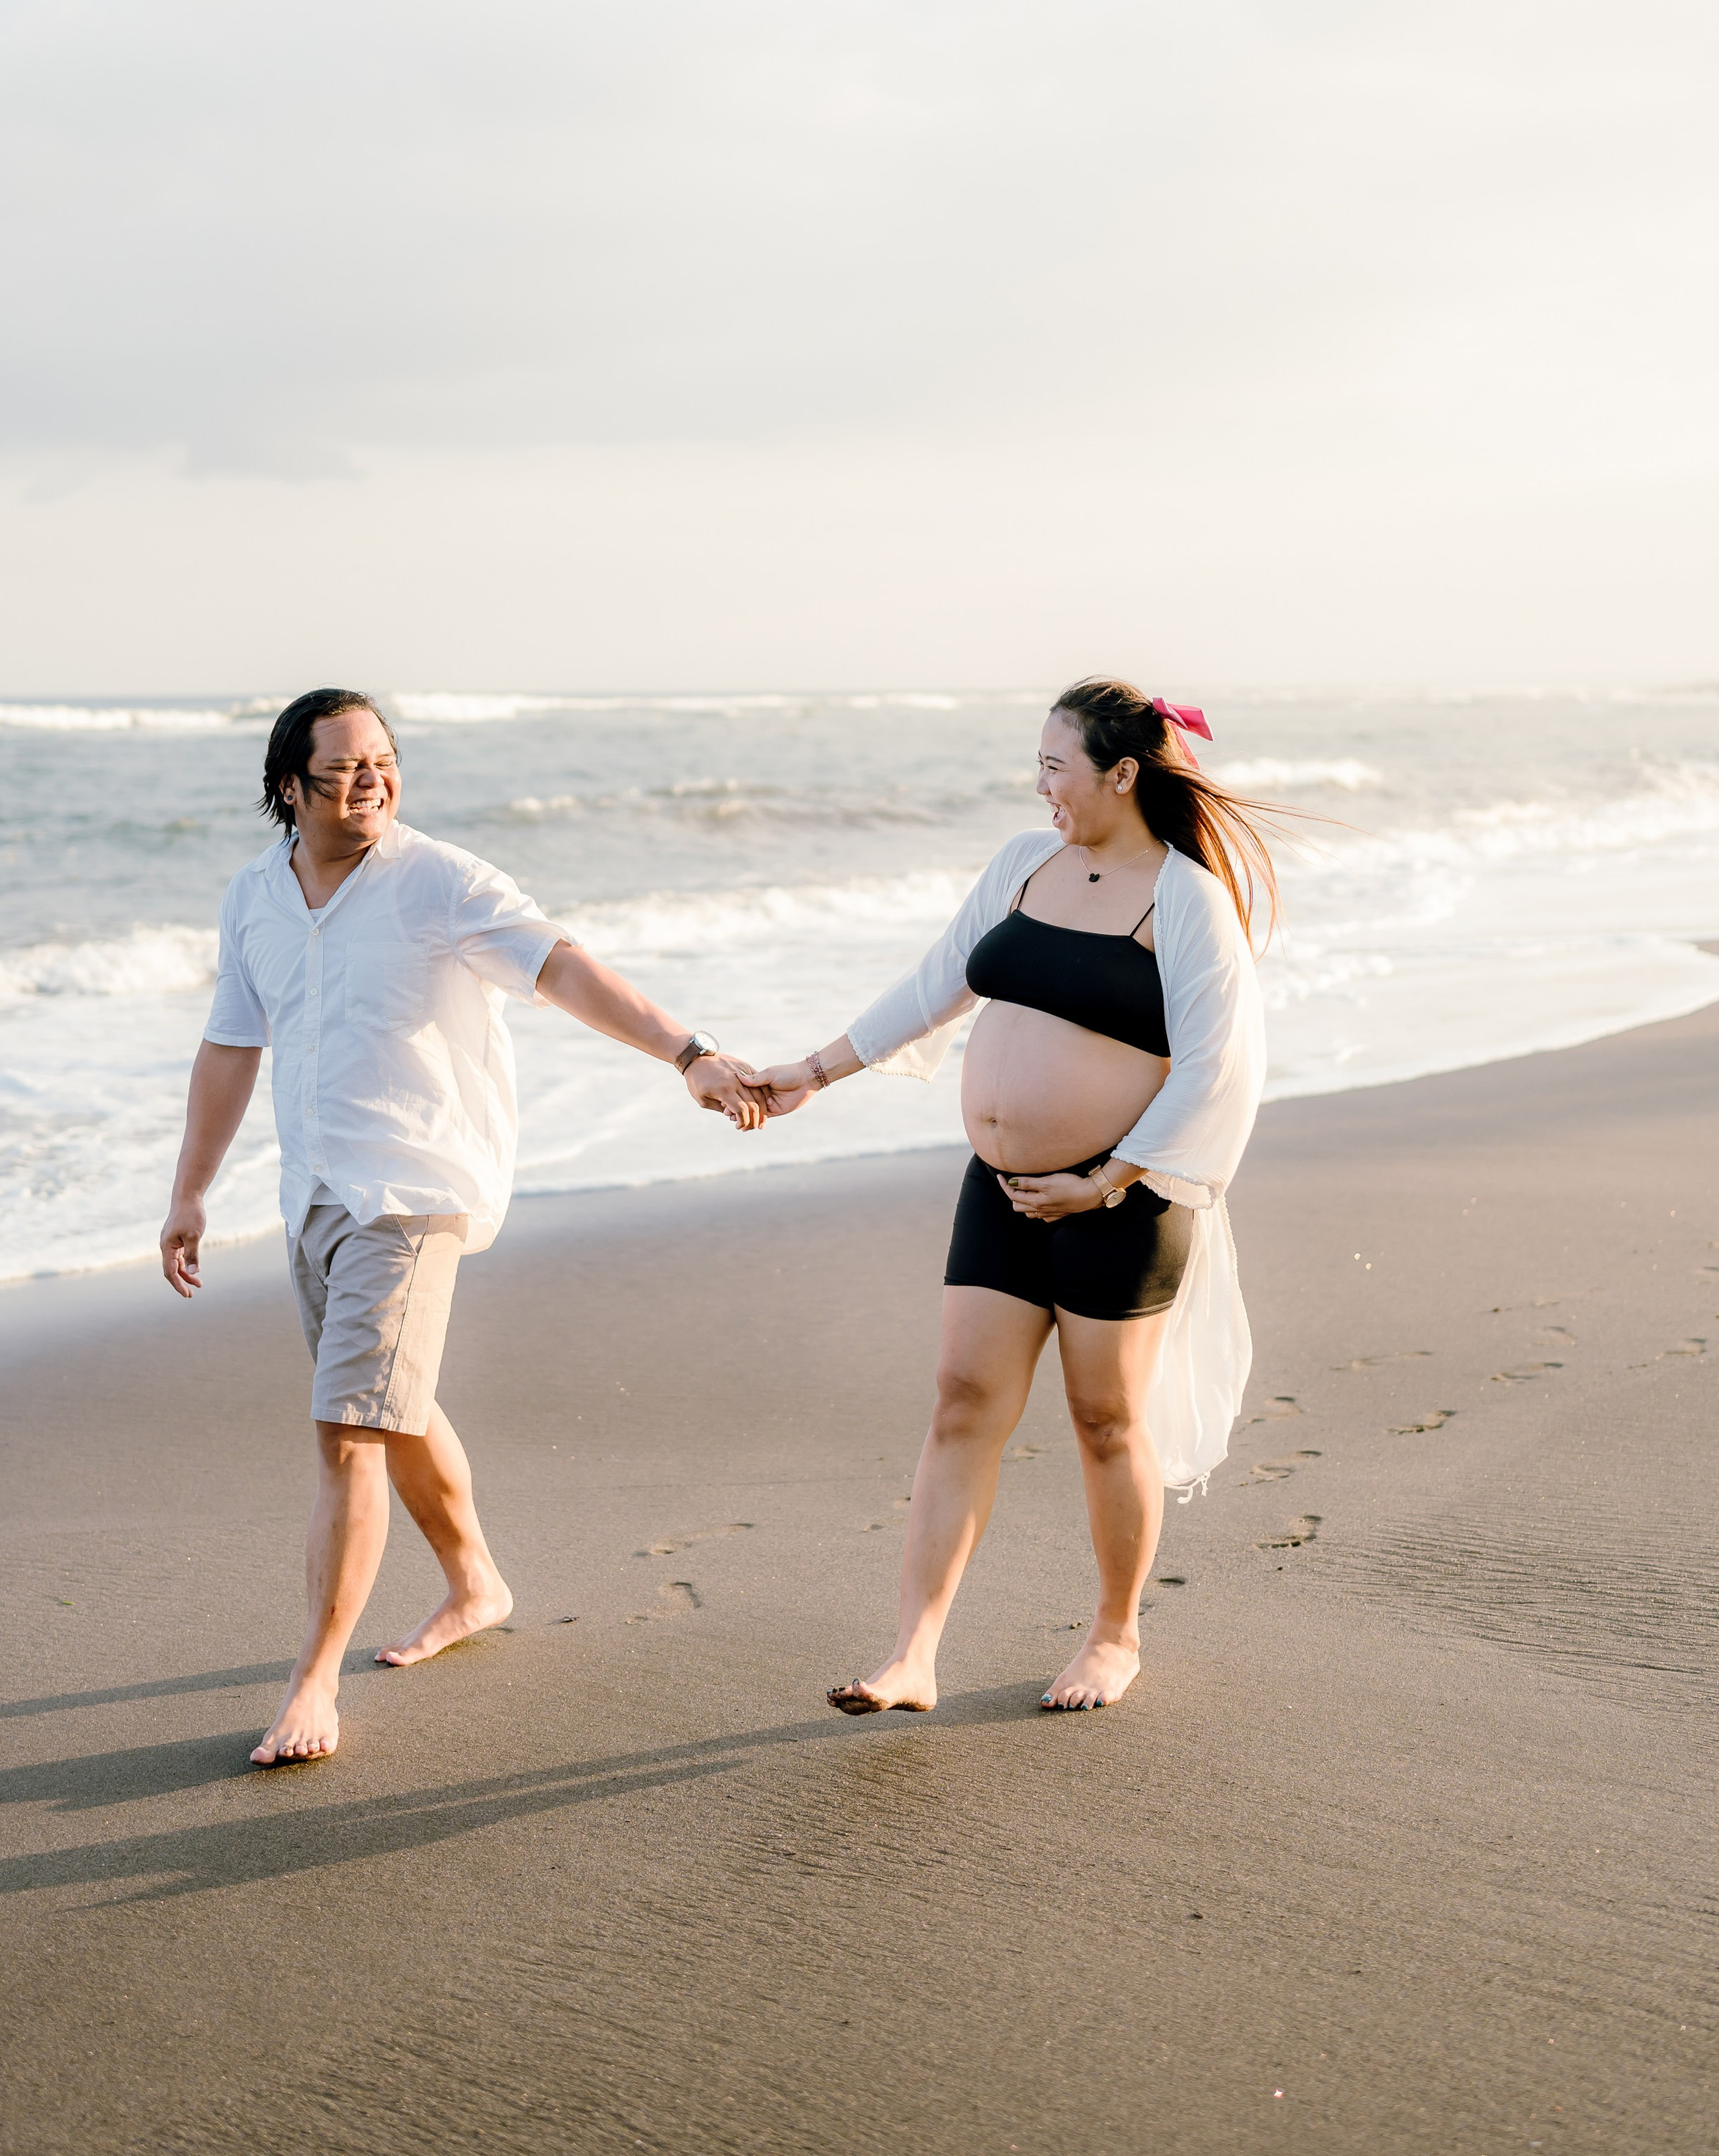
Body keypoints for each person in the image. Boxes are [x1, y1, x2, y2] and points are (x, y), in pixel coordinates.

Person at [160, 686, 765, 1767]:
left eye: (384, 760)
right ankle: (476, 1582)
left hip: (415, 1188)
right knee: (395, 1409)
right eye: (344, 768)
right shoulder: (253, 897)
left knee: (347, 1431)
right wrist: (189, 1191)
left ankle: (312, 1682)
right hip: (316, 1196)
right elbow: (229, 1048)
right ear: (288, 788)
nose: (372, 781)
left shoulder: (440, 880)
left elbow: (565, 967)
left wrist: (689, 1054)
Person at [754, 679, 1273, 1716]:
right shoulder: (1021, 864)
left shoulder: (1186, 899)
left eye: (1055, 766)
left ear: (1122, 775)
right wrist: (813, 1072)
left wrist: (1105, 1177)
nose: (1039, 786)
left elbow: (1224, 1068)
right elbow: (937, 980)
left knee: (1106, 1423)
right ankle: (913, 1656)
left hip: (1120, 1203)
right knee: (961, 1404)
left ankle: (1115, 1636)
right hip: (999, 1191)